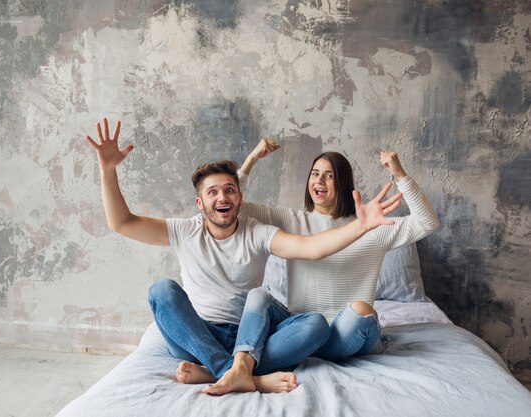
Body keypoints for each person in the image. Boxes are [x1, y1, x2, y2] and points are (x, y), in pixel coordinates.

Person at [85, 117, 402, 395]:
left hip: (251, 339)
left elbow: (312, 248)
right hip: (197, 338)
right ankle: (240, 375)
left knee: (314, 325)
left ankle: (230, 371)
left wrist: (361, 226)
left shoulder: (258, 232)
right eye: (213, 192)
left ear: (239, 197)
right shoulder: (185, 231)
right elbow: (122, 223)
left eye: (229, 190)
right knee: (161, 291)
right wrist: (108, 171)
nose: (222, 197)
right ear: (200, 203)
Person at [236, 139, 440, 363]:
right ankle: (244, 365)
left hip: (346, 332)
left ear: (342, 183)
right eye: (315, 174)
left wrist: (400, 175)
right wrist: (250, 161)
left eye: (329, 175)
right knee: (260, 295)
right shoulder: (291, 220)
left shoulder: (371, 225)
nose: (319, 181)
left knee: (361, 310)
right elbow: (234, 209)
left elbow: (427, 222)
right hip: (303, 328)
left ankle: (309, 352)